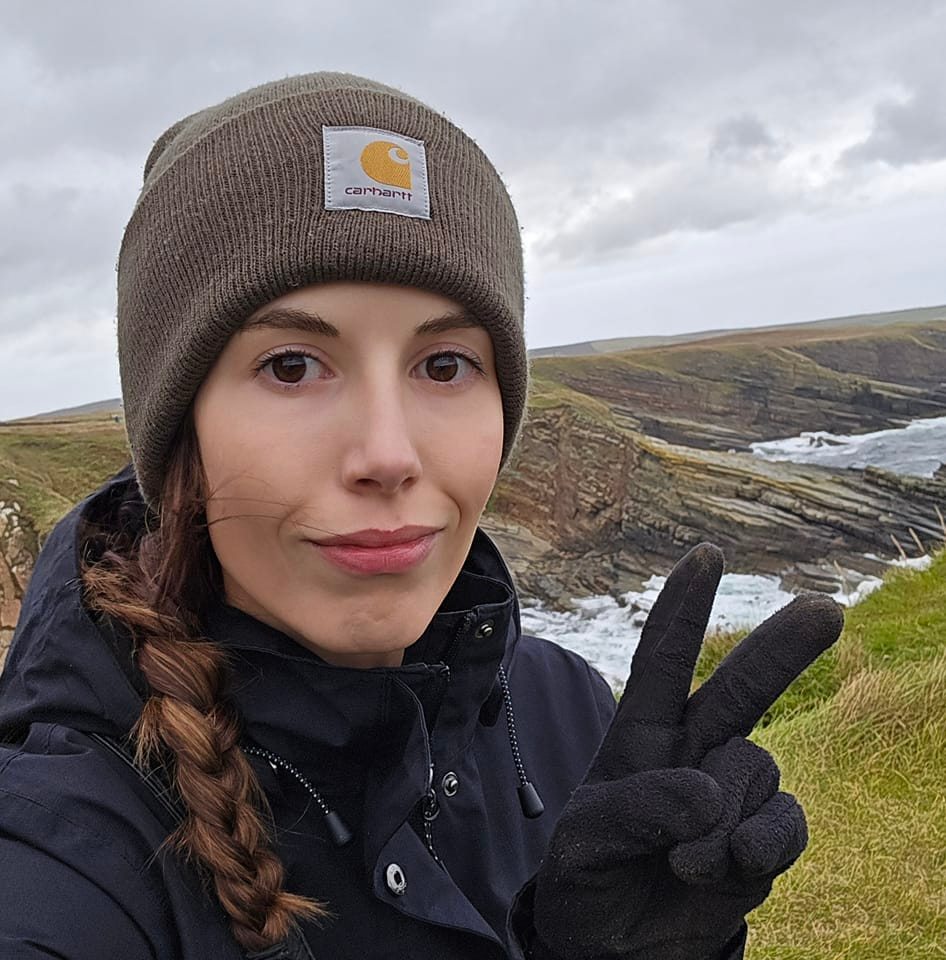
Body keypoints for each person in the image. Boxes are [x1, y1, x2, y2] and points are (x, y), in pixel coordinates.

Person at [0, 72, 843, 959]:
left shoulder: (565, 707)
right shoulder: (58, 843)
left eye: (444, 366)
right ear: (181, 431)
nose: (388, 453)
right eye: (291, 366)